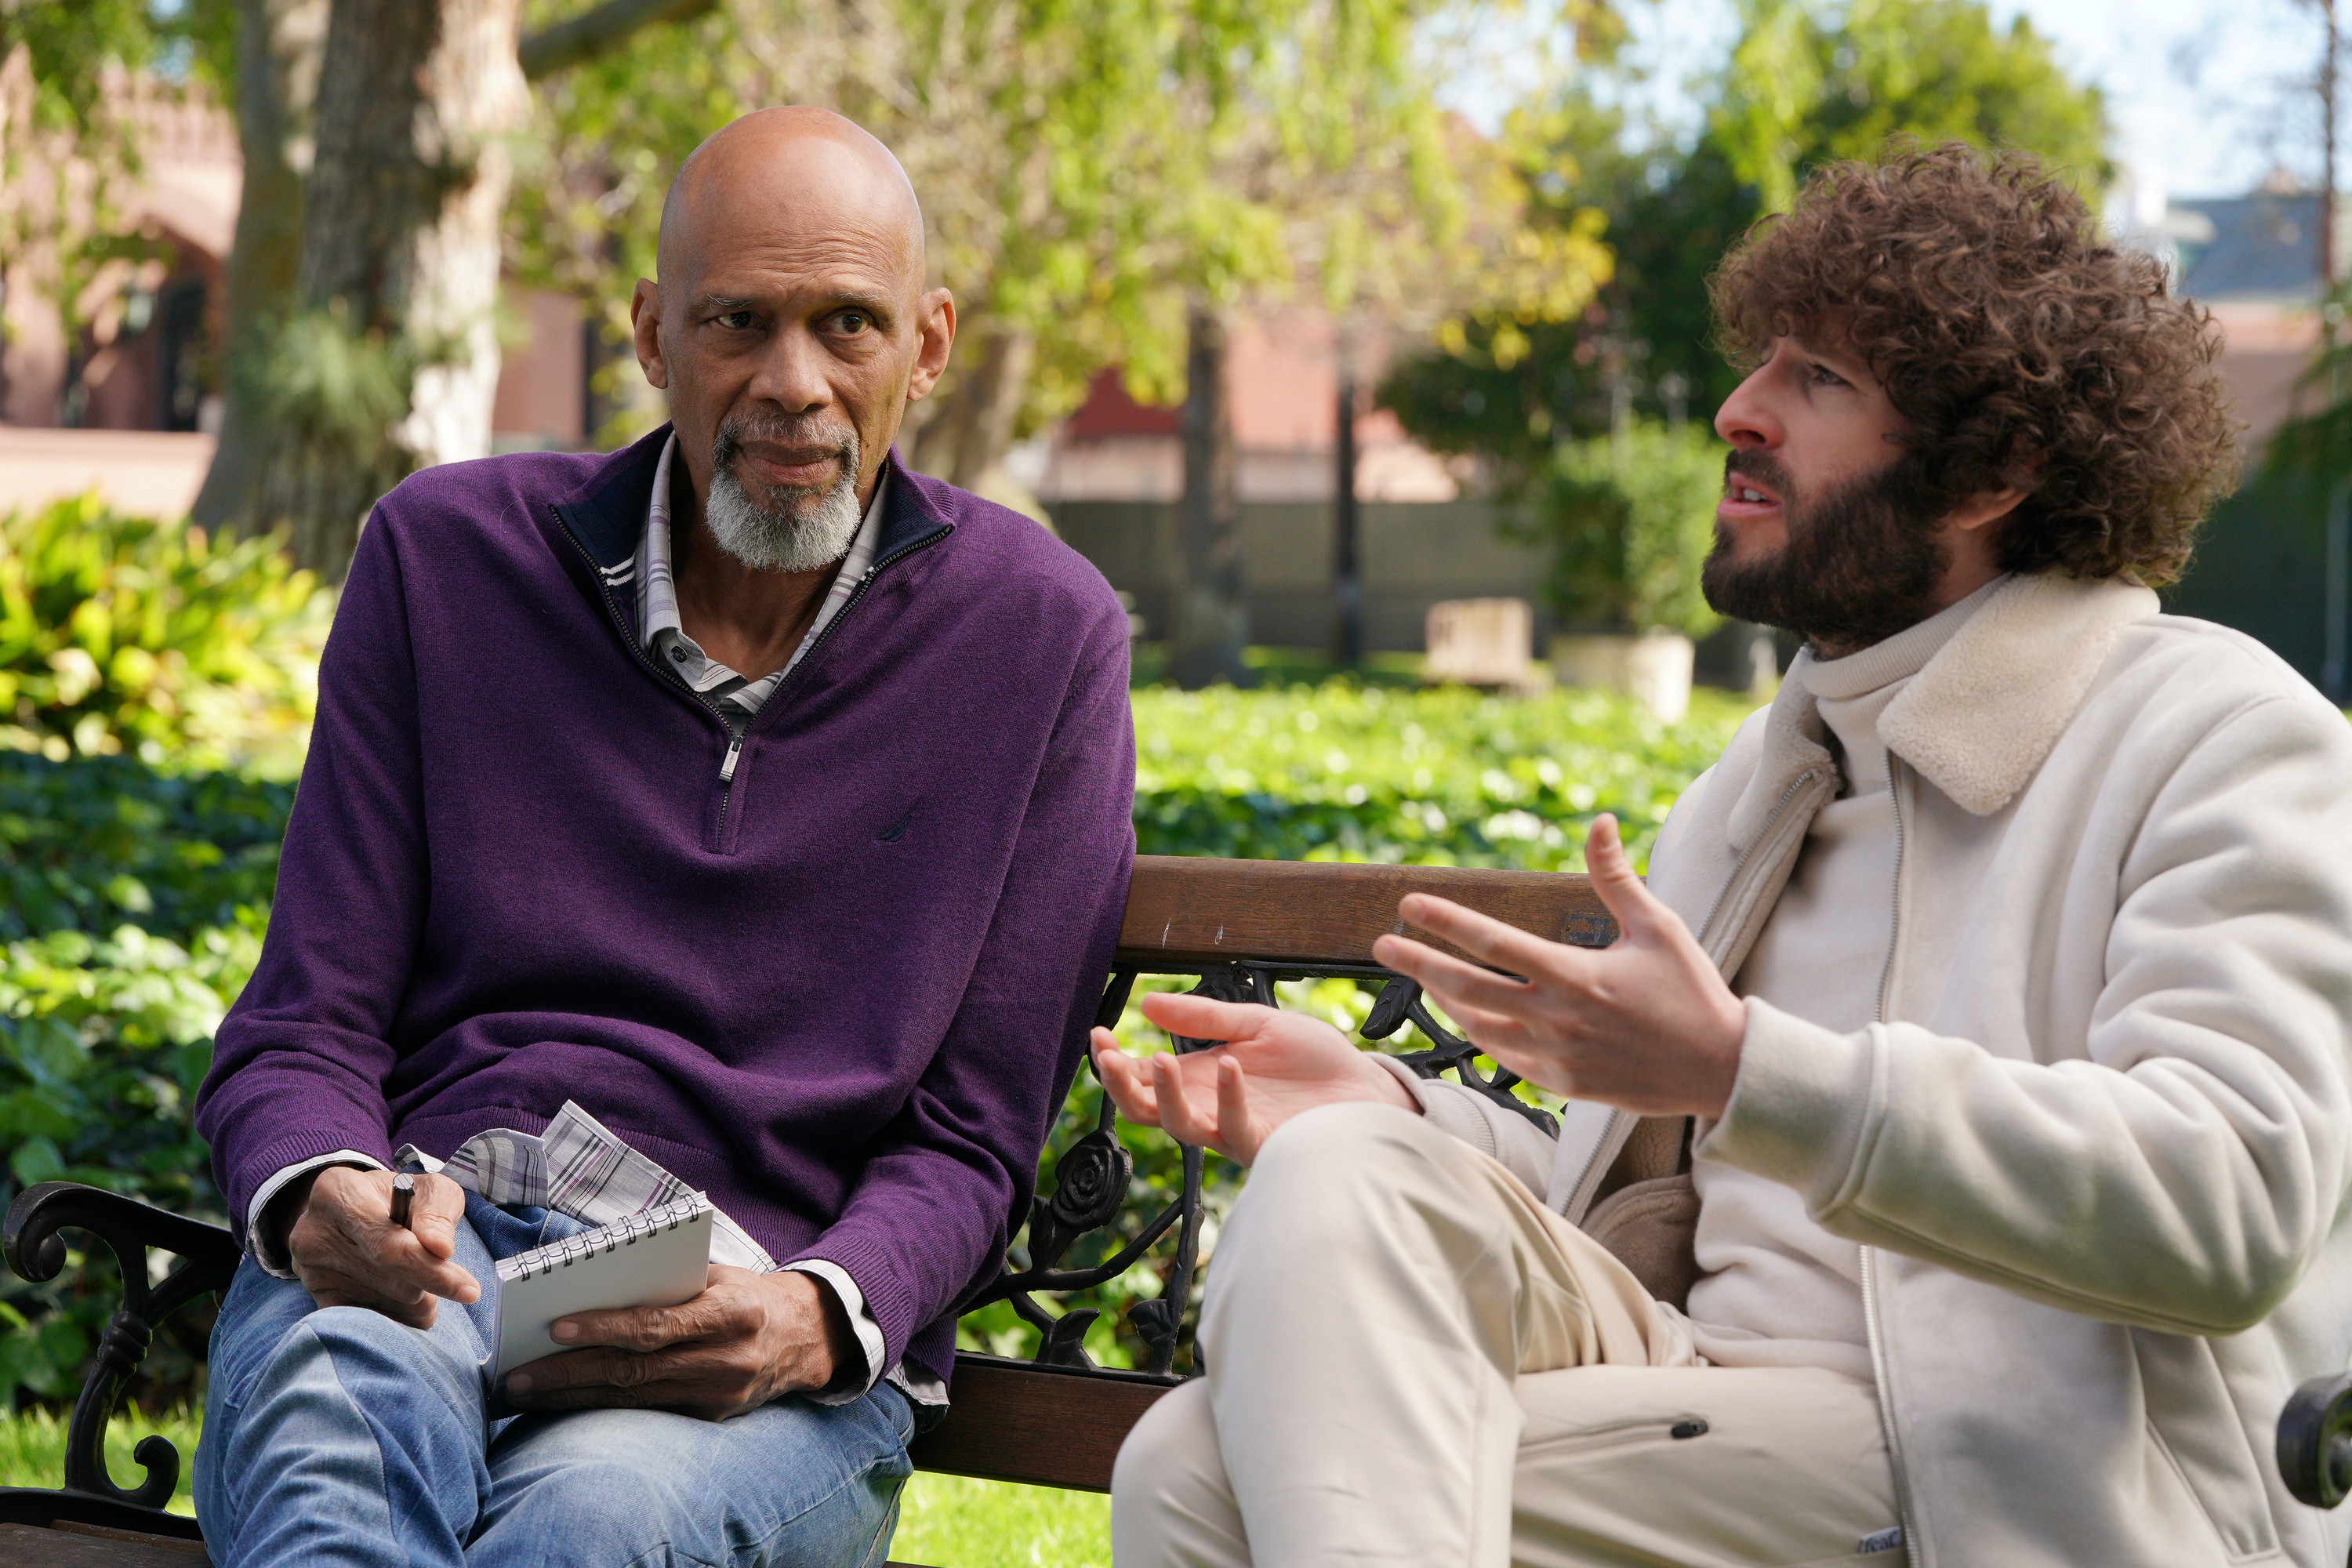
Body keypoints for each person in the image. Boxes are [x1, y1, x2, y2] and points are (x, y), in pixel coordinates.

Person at [1097, 143, 2352, 1568]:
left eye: (1820, 379)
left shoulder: (2219, 738)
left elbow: (2234, 1203)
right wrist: (1390, 1102)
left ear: (1995, 468)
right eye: (1764, 361)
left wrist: (1746, 1068)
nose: (1737, 411)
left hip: (2002, 1469)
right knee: (1326, 1189)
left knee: (1200, 1473)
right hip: (1706, 1400)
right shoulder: (1762, 781)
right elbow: (1665, 1178)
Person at [191, 107, 1136, 1568]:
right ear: (650, 334)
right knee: (336, 1421)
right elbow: (303, 1025)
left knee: (593, 1524)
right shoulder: (444, 564)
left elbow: (975, 1136)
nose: (793, 384)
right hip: (432, 1251)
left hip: (747, 1327)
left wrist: (814, 1317)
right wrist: (322, 1189)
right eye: (738, 323)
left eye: (849, 327)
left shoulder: (1040, 638)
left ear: (930, 347)